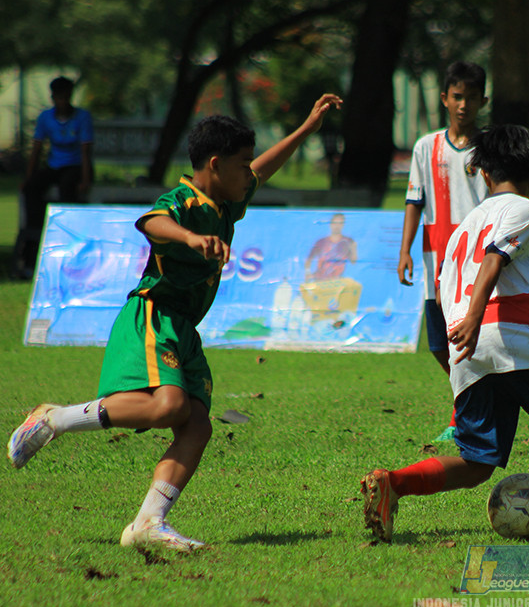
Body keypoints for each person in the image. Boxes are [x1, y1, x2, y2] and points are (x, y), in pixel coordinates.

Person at [7, 93, 343, 555]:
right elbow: (151, 222)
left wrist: (307, 129)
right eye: (241, 164)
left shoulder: (228, 201)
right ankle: (56, 418)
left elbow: (263, 167)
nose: (250, 174)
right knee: (168, 407)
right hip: (154, 315)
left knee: (197, 426)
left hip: (184, 328)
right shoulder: (185, 199)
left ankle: (148, 522)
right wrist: (191, 237)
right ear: (214, 164)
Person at [363, 124, 529, 548]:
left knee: (478, 460)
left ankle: (393, 483)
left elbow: (444, 291)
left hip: (466, 348)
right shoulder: (526, 209)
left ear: (482, 173)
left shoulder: (462, 228)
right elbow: (495, 261)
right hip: (507, 334)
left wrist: (464, 334)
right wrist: (478, 318)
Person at [397, 61, 489, 438]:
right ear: (444, 100)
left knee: (474, 340)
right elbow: (414, 200)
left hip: (476, 259)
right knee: (439, 344)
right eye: (456, 97)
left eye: (470, 97)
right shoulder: (426, 147)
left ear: (483, 101)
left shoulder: (489, 148)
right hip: (437, 258)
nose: (463, 104)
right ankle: (470, 402)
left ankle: (466, 414)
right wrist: (405, 250)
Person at [15, 76, 94, 279]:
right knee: (31, 189)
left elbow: (85, 151)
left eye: (65, 96)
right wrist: (28, 177)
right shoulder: (46, 118)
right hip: (54, 165)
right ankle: (35, 232)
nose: (62, 101)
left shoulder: (82, 117)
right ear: (53, 98)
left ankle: (68, 234)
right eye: (58, 97)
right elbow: (37, 149)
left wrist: (86, 179)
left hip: (74, 166)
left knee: (68, 188)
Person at [305, 213, 357, 281]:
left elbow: (353, 262)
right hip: (320, 280)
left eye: (340, 223)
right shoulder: (321, 242)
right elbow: (309, 260)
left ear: (343, 225)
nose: (337, 226)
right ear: (330, 224)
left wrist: (354, 249)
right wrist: (307, 273)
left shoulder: (347, 241)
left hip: (337, 282)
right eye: (335, 223)